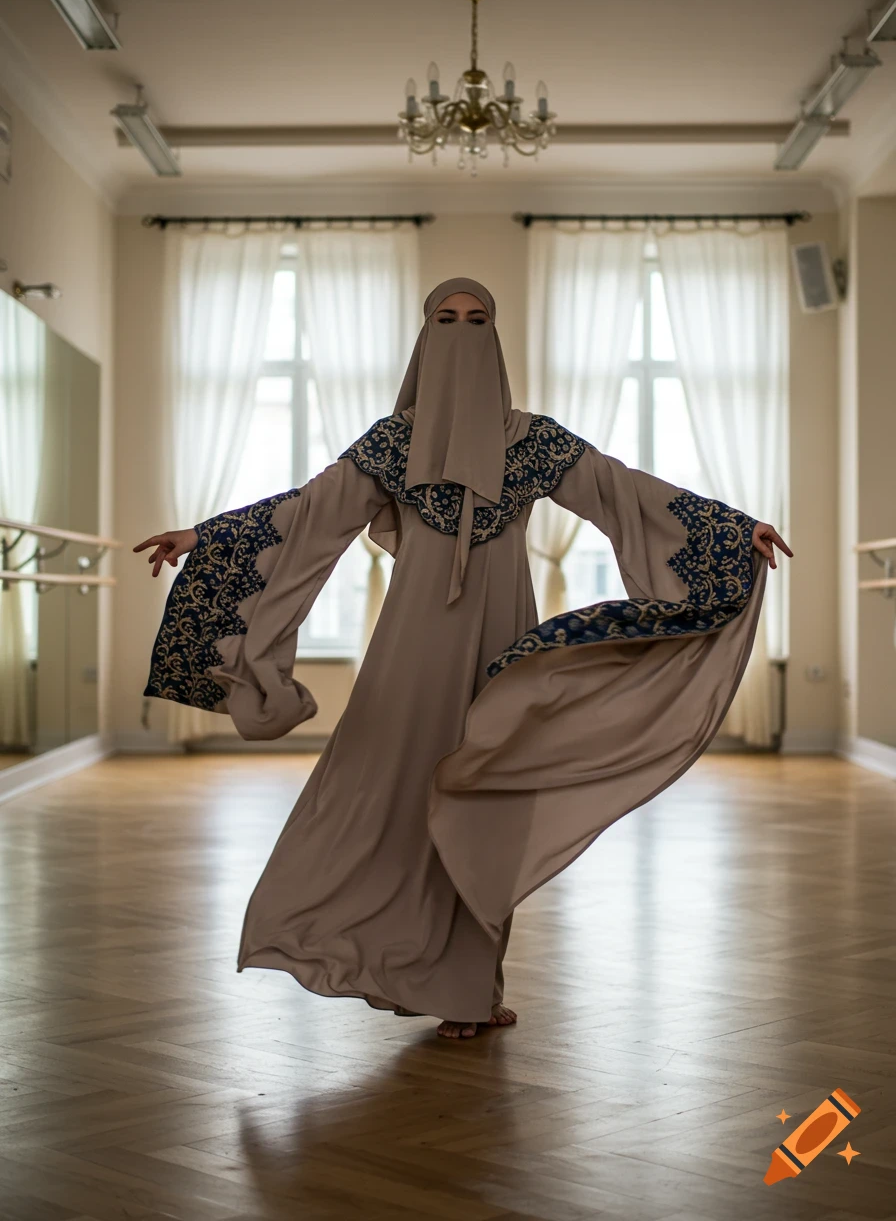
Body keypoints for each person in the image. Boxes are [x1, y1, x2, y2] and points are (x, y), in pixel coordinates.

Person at [135, 277, 792, 1041]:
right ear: (423, 336)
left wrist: (730, 528)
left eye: (477, 321)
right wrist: (203, 537)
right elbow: (306, 513)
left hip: (503, 633)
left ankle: (471, 987)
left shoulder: (533, 440)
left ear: (497, 336)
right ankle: (365, 946)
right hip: (411, 642)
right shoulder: (392, 441)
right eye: (445, 320)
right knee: (383, 785)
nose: (461, 332)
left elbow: (625, 493)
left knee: (489, 788)